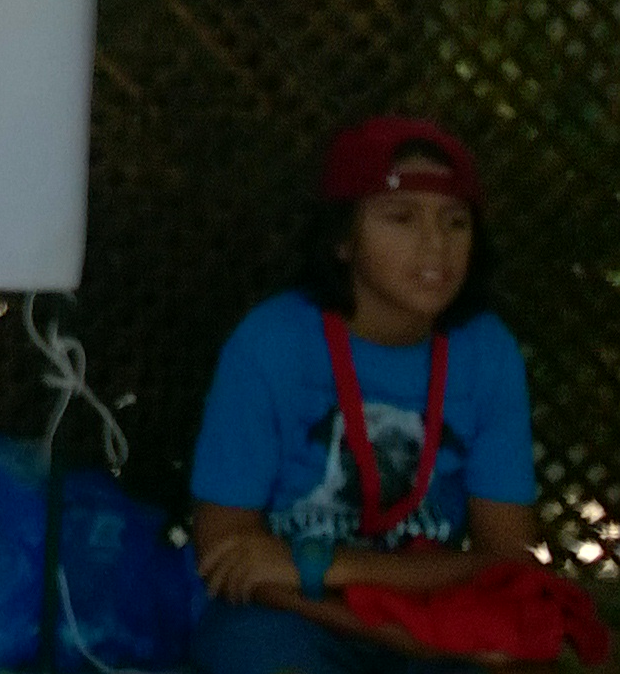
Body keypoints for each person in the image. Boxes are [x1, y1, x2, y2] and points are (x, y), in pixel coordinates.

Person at [189, 117, 541, 674]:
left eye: (455, 223)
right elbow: (227, 556)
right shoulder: (271, 343)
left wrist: (321, 566)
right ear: (341, 240)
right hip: (293, 618)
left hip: (428, 615)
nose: (435, 245)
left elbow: (507, 560)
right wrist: (356, 612)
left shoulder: (486, 351)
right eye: (401, 218)